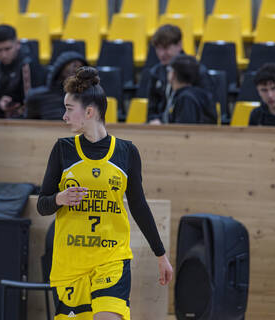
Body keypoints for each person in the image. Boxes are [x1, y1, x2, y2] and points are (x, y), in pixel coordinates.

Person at [37, 66, 173, 320]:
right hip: (70, 264)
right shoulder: (63, 149)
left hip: (111, 260)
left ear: (89, 112)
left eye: (68, 109)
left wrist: (161, 255)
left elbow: (139, 205)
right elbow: (42, 205)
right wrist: (59, 198)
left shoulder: (126, 152)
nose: (64, 117)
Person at [147, 24, 214, 124]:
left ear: (179, 45)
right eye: (158, 48)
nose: (161, 54)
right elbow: (152, 110)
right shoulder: (156, 73)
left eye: (166, 48)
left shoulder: (198, 71)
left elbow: (206, 110)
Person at [0, 24, 43, 119]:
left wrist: (13, 109)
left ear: (17, 44)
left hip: (23, 119)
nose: (3, 55)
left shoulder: (28, 64)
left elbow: (33, 103)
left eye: (8, 49)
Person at [25, 51, 87, 119]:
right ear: (60, 68)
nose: (76, 70)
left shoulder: (88, 97)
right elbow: (29, 125)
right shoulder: (36, 96)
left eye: (81, 67)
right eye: (74, 65)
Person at [166, 54, 217, 124]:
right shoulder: (192, 94)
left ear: (173, 74)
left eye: (169, 70)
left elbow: (184, 131)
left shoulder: (186, 98)